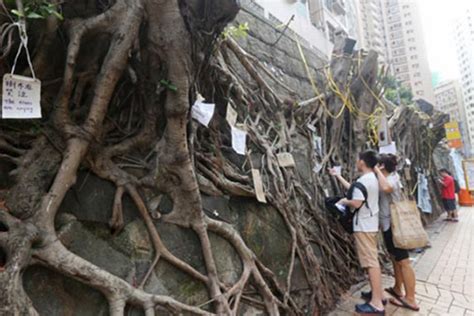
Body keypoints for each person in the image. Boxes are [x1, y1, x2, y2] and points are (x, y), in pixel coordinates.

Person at [330, 150, 385, 315]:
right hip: (370, 224)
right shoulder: (371, 179)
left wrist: (342, 201)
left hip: (364, 226)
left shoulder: (365, 180)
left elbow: (356, 201)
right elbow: (355, 190)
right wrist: (338, 177)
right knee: (371, 261)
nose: (356, 162)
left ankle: (377, 304)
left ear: (362, 162)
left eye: (358, 159)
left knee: (371, 263)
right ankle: (378, 295)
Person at [372, 154, 420, 311]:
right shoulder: (386, 177)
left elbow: (387, 188)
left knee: (403, 260)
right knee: (394, 258)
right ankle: (398, 288)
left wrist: (376, 171)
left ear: (382, 166)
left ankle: (411, 298)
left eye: (378, 164)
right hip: (387, 225)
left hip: (395, 226)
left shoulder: (392, 178)